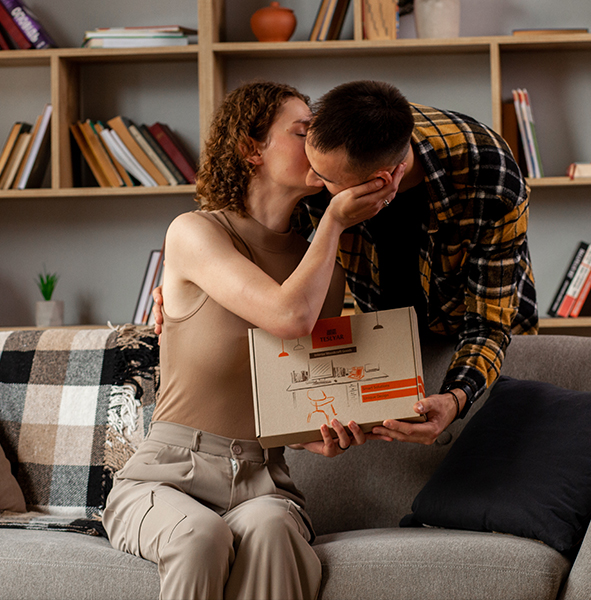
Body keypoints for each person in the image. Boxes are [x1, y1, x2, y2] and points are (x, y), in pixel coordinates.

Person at [105, 81, 397, 600]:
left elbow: (298, 385)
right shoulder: (193, 233)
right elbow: (286, 316)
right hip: (166, 476)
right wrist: (334, 218)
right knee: (199, 535)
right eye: (303, 132)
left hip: (264, 480)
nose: (315, 144)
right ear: (249, 147)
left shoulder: (323, 270)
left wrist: (320, 431)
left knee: (271, 527)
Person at [296, 80, 536, 444]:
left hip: (477, 333)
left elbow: (488, 322)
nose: (310, 181)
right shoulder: (326, 153)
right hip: (384, 331)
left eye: (325, 179)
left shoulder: (490, 175)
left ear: (381, 182)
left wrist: (456, 398)